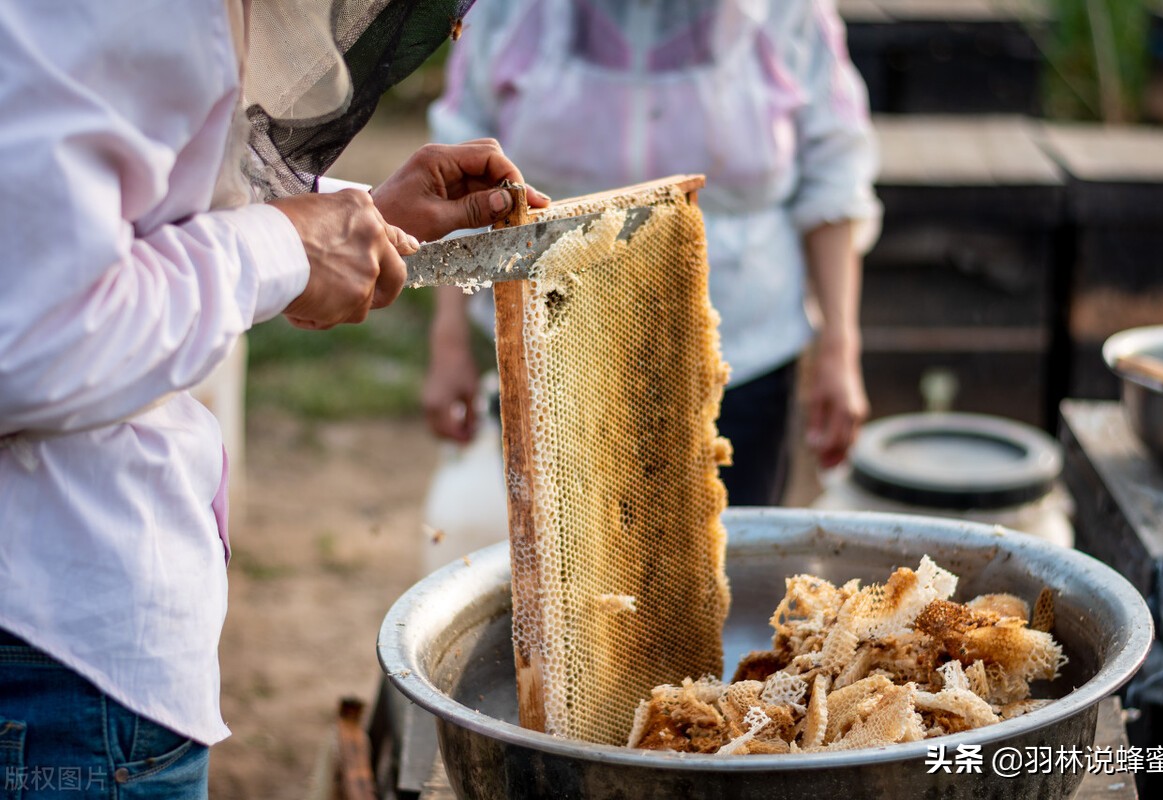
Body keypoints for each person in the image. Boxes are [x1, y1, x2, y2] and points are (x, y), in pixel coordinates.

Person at [0, 1, 546, 796]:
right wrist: (286, 245)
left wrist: (362, 219)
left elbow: (96, 229)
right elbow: (33, 334)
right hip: (53, 663)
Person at [421, 0, 882, 506]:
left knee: (730, 551)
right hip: (552, 350)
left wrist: (840, 346)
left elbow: (835, 177)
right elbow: (456, 167)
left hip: (741, 354)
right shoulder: (504, 10)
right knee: (568, 557)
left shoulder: (789, 13)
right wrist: (449, 340)